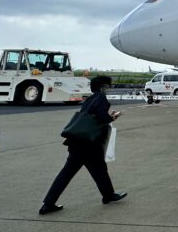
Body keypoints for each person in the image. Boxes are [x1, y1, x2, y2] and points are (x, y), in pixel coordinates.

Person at [40, 76, 126, 214]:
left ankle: (48, 204)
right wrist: (113, 117)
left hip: (77, 142)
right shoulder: (101, 99)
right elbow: (102, 118)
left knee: (76, 173)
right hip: (89, 143)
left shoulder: (89, 99)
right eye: (108, 86)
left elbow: (90, 116)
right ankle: (108, 195)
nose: (109, 89)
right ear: (103, 87)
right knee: (98, 170)